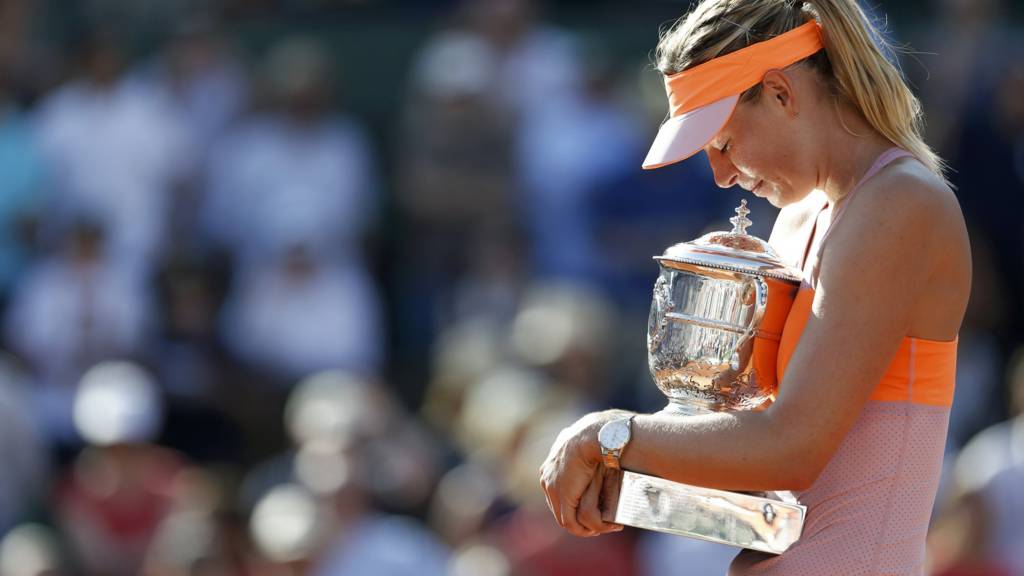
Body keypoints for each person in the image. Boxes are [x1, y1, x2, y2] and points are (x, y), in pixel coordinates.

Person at [538, 1, 972, 574]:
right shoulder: (804, 215)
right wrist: (638, 477)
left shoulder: (901, 203)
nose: (719, 175)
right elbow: (771, 486)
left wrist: (612, 435)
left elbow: (791, 449)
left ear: (780, 93)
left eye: (721, 143)